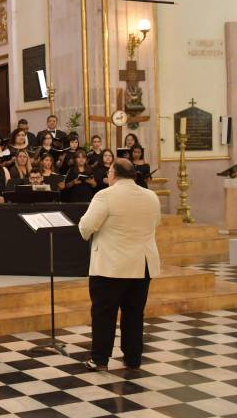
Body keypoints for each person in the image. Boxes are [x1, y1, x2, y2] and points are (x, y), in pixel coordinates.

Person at [78, 158, 161, 371]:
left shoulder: (105, 195)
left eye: (109, 171)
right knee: (134, 314)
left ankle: (99, 360)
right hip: (142, 265)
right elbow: (155, 223)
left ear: (114, 174)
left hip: (111, 265)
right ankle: (133, 359)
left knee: (104, 314)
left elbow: (86, 228)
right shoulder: (151, 196)